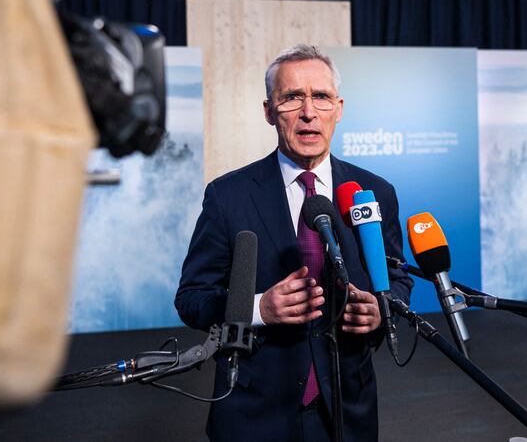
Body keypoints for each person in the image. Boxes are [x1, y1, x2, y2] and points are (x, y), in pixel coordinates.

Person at [175, 44, 413, 441]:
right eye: (291, 98)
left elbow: (396, 277)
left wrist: (380, 310)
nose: (308, 112)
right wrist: (257, 308)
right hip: (254, 414)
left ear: (338, 108)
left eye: (320, 96)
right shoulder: (227, 196)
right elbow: (192, 298)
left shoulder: (374, 192)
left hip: (346, 410)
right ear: (269, 111)